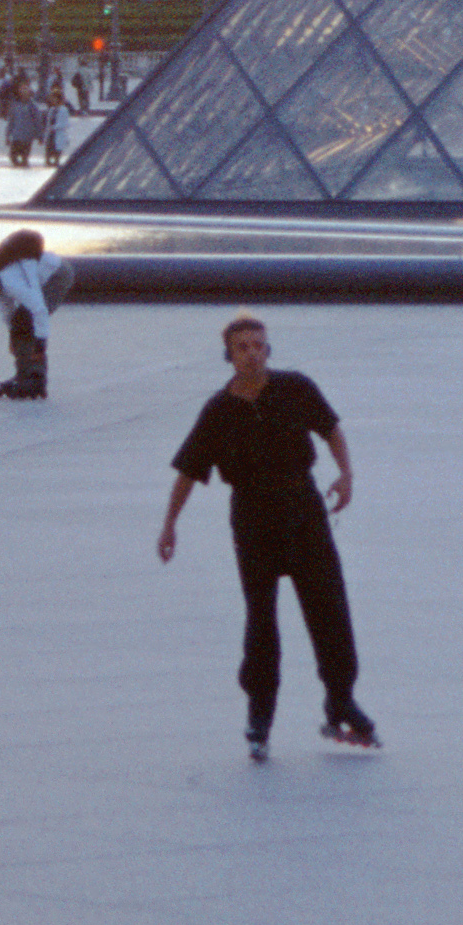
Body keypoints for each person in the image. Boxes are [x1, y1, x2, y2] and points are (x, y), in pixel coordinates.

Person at [156, 315, 375, 758]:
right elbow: (188, 471)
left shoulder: (296, 387)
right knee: (261, 619)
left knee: (329, 606)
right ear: (229, 355)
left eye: (259, 345)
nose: (252, 352)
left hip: (304, 510)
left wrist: (346, 474)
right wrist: (169, 524)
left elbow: (331, 428)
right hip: (254, 518)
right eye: (242, 347)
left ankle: (340, 699)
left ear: (268, 349)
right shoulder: (218, 410)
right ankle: (260, 712)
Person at [0, 228, 71, 400]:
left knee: (26, 320)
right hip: (45, 275)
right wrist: (12, 337)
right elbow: (7, 311)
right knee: (20, 322)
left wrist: (40, 344)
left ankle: (34, 378)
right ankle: (24, 374)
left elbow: (39, 309)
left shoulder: (10, 278)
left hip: (58, 275)